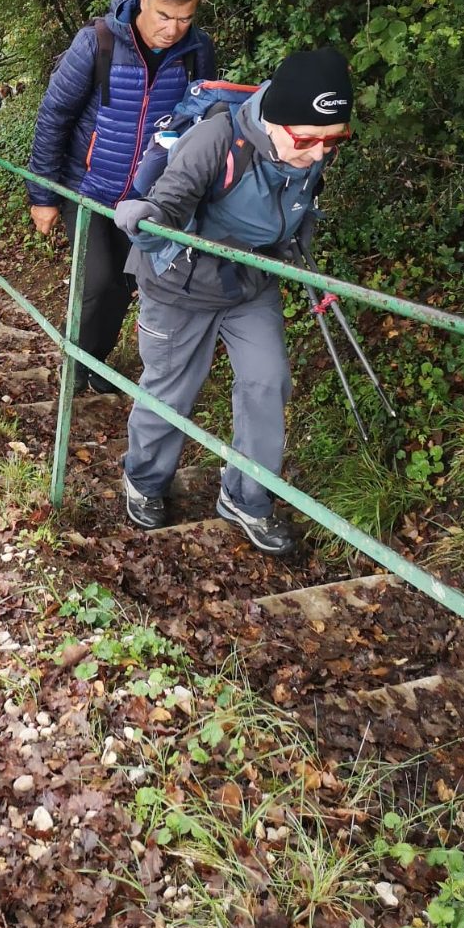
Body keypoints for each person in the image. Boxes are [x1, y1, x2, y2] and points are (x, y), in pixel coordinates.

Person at [113, 47, 354, 554]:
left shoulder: (310, 151)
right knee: (172, 388)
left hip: (249, 281)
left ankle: (246, 495)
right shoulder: (216, 140)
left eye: (334, 140)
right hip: (179, 282)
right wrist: (148, 218)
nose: (319, 154)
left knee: (268, 380)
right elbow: (170, 199)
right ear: (274, 122)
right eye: (307, 140)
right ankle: (145, 478)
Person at [26, 0, 215, 391]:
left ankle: (94, 364)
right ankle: (73, 367)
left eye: (184, 19)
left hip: (149, 196)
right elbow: (54, 116)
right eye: (164, 15)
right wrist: (42, 195)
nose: (172, 29)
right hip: (87, 186)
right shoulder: (98, 42)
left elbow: (201, 123)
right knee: (96, 281)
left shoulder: (197, 51)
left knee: (125, 284)